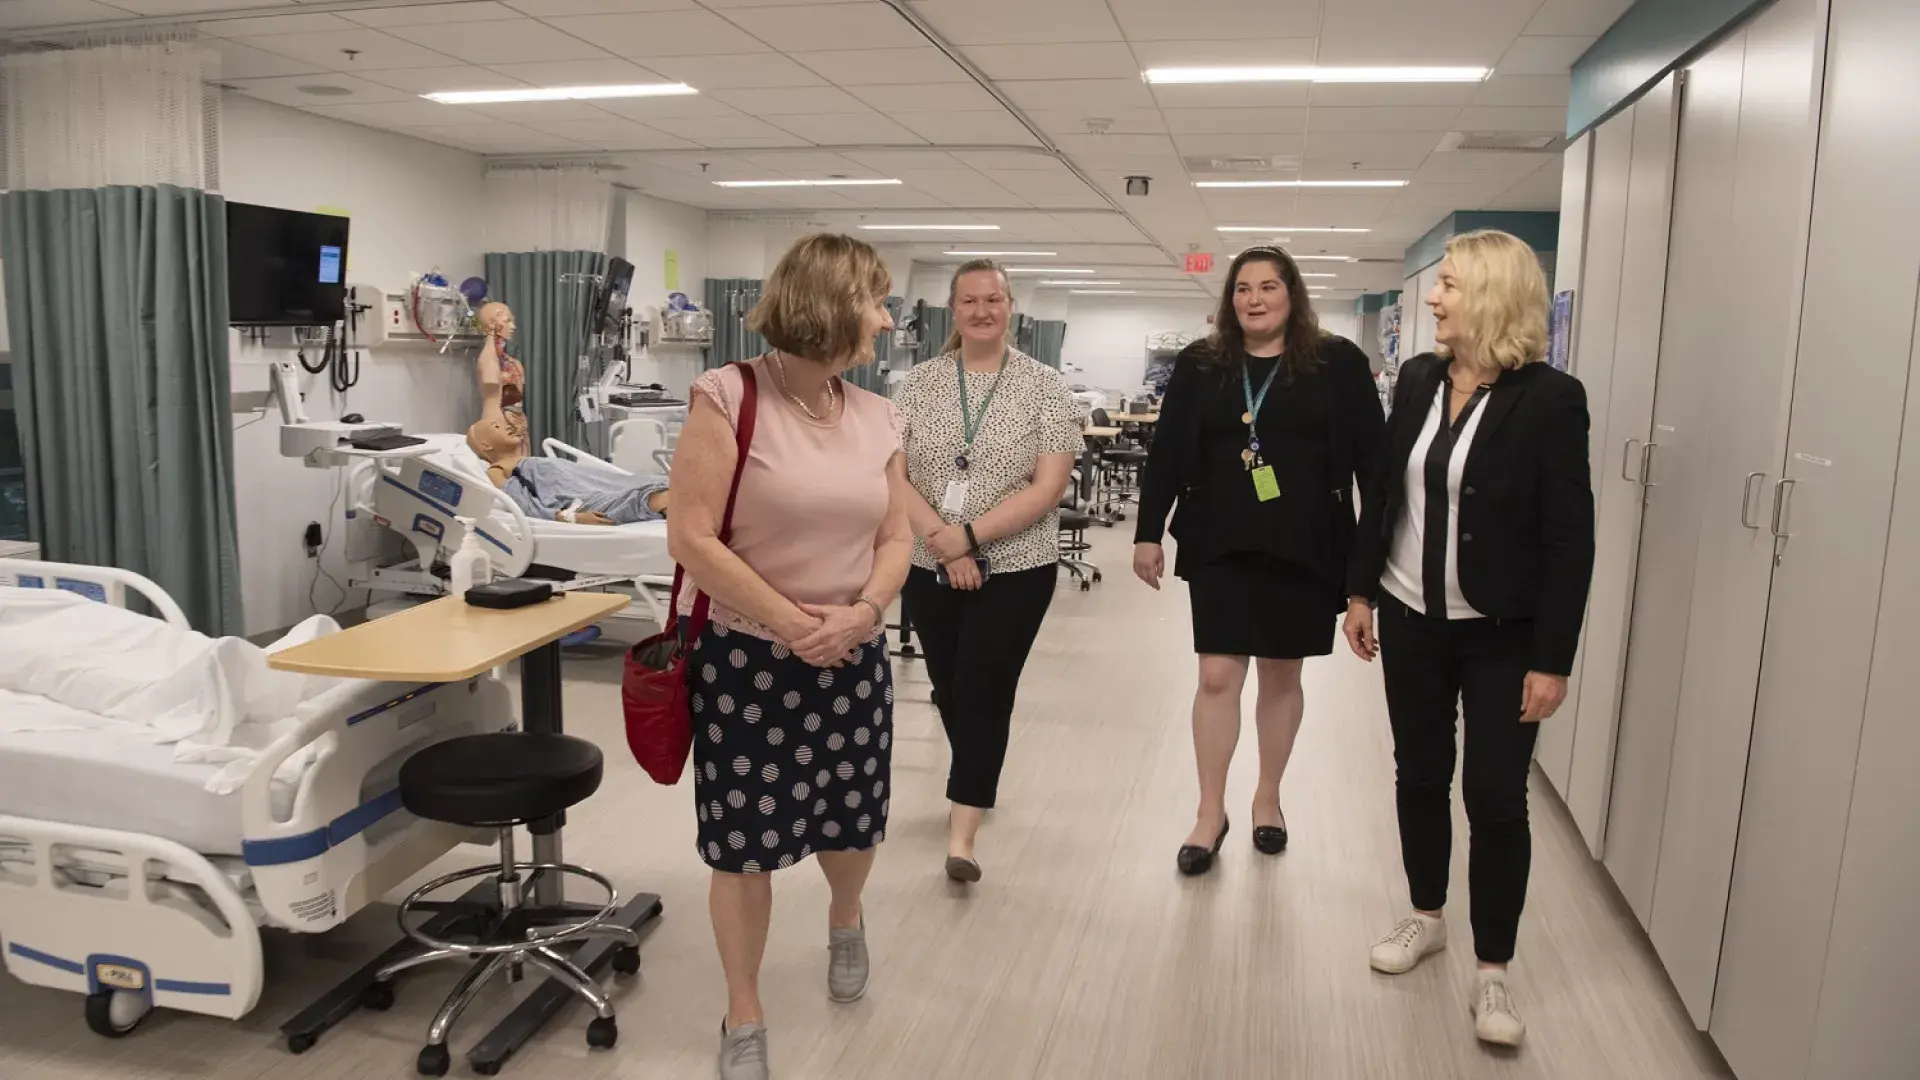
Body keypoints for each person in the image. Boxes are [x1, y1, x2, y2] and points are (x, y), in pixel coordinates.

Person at [1340, 229, 1595, 1048]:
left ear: (1488, 294)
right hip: (1412, 616)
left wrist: (1553, 658)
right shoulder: (1418, 378)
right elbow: (1384, 492)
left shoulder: (1551, 399)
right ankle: (1426, 916)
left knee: (1494, 796)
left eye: (1448, 283)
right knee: (1418, 774)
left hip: (1502, 634)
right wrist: (1360, 590)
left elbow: (1569, 538)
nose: (1434, 297)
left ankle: (1493, 973)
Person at [666, 234, 911, 1080]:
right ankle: (744, 1010)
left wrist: (865, 613)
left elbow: (896, 532)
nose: (885, 318)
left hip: (853, 657)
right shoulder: (726, 396)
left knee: (850, 819)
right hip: (748, 663)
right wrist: (790, 622)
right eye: (875, 301)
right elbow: (691, 537)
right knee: (743, 845)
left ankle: (847, 918)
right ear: (835, 306)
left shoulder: (879, 414)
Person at [1133, 246, 1384, 876]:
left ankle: (1267, 797)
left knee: (1281, 675)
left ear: (1292, 294)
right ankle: (1209, 810)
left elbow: (1373, 471)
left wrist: (1363, 582)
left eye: (1269, 286)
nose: (1254, 299)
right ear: (1229, 298)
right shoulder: (1201, 365)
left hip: (1306, 543)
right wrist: (1147, 532)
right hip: (1219, 539)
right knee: (1217, 674)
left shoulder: (1337, 364)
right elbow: (1166, 451)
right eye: (1243, 288)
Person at [893, 259, 1084, 883]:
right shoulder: (916, 384)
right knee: (948, 687)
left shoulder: (1044, 386)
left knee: (983, 688)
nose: (982, 311)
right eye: (970, 301)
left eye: (993, 300)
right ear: (954, 310)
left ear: (1010, 308)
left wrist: (971, 537)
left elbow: (1049, 485)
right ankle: (973, 768)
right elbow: (893, 475)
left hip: (1018, 566)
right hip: (928, 561)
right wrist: (946, 545)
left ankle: (963, 832)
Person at [465, 301, 670, 525]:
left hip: (604, 485)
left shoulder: (526, 458)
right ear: (486, 446)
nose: (513, 325)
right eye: (507, 320)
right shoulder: (498, 470)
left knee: (662, 484)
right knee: (653, 497)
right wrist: (571, 517)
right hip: (589, 498)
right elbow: (525, 505)